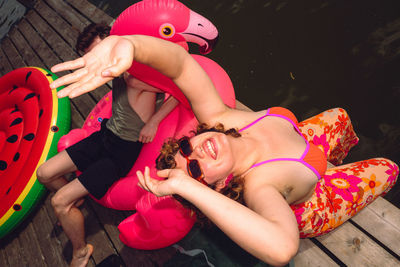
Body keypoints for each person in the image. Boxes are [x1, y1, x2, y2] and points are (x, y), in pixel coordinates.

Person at [49, 35, 399, 266]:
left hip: (305, 143)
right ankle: (332, 175)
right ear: (219, 187)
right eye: (197, 171)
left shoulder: (219, 118)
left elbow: (183, 64)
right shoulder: (260, 184)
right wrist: (184, 186)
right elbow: (281, 248)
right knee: (388, 167)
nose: (198, 152)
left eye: (187, 146)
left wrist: (130, 46)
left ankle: (334, 160)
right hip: (312, 198)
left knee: (341, 115)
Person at [36, 28, 178, 267]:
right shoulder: (115, 72)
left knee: (59, 201)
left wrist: (154, 121)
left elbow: (178, 90)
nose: (98, 60)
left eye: (99, 51)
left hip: (121, 151)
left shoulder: (138, 75)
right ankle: (76, 203)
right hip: (105, 136)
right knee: (44, 173)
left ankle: (80, 251)